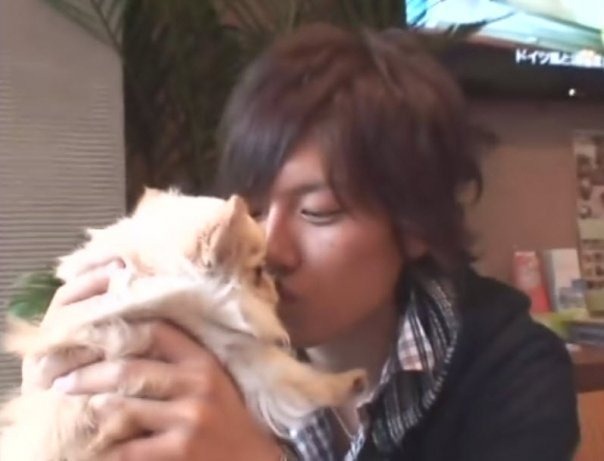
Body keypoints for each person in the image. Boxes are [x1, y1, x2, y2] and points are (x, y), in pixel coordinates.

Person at [25, 23, 579, 460]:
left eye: (319, 212)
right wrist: (56, 415)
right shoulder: (193, 343)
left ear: (414, 224)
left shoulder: (512, 375)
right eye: (253, 210)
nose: (271, 250)